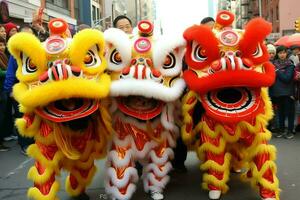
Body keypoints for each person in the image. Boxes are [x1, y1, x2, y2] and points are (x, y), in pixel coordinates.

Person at [3, 25, 36, 154]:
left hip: (36, 90)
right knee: (23, 117)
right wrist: (10, 90)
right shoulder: (15, 53)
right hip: (20, 90)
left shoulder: (38, 51)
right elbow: (10, 73)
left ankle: (35, 142)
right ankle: (25, 144)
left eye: (30, 35)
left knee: (35, 117)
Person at [269, 46, 295, 139]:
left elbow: (287, 79)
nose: (282, 55)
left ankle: (290, 131)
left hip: (288, 93)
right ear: (277, 54)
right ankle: (281, 130)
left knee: (290, 113)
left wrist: (277, 71)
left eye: (283, 53)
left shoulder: (290, 65)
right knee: (280, 113)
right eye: (280, 53)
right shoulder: (273, 63)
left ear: (286, 53)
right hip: (277, 93)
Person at [0, 35, 9, 151]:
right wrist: (10, 72)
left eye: (3, 44)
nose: (1, 47)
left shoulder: (3, 56)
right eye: (0, 44)